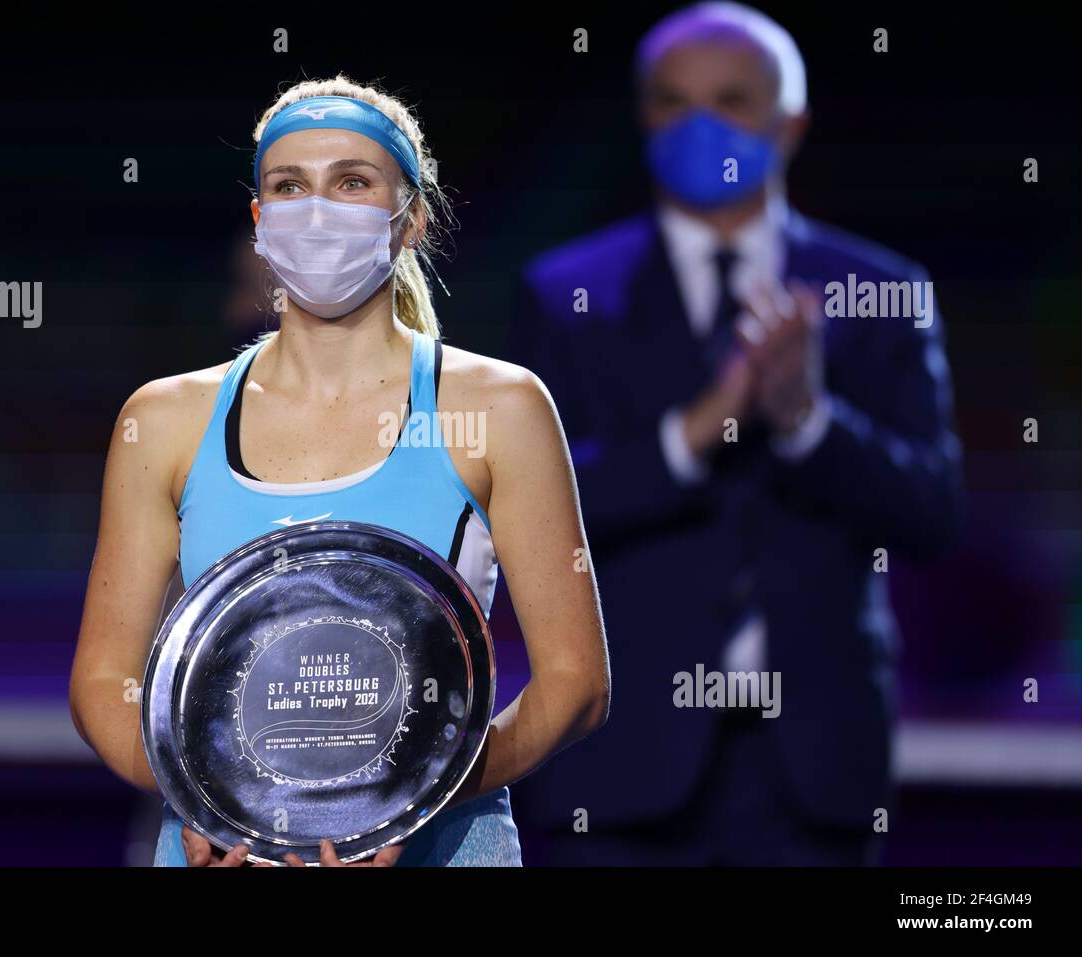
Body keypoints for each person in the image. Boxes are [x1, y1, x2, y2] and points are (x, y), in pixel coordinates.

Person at [70, 75, 610, 867]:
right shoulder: (164, 419)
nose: (316, 209)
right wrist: (224, 807)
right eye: (289, 187)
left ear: (411, 218)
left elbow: (576, 681)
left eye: (351, 182)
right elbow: (103, 682)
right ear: (259, 222)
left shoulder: (502, 407)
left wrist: (392, 806)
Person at [509, 3, 963, 865]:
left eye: (732, 100)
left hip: (813, 775)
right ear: (644, 119)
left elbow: (932, 513)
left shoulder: (882, 291)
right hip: (618, 766)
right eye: (674, 102)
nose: (700, 124)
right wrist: (701, 425)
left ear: (790, 125)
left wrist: (805, 421)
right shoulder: (566, 292)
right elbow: (537, 512)